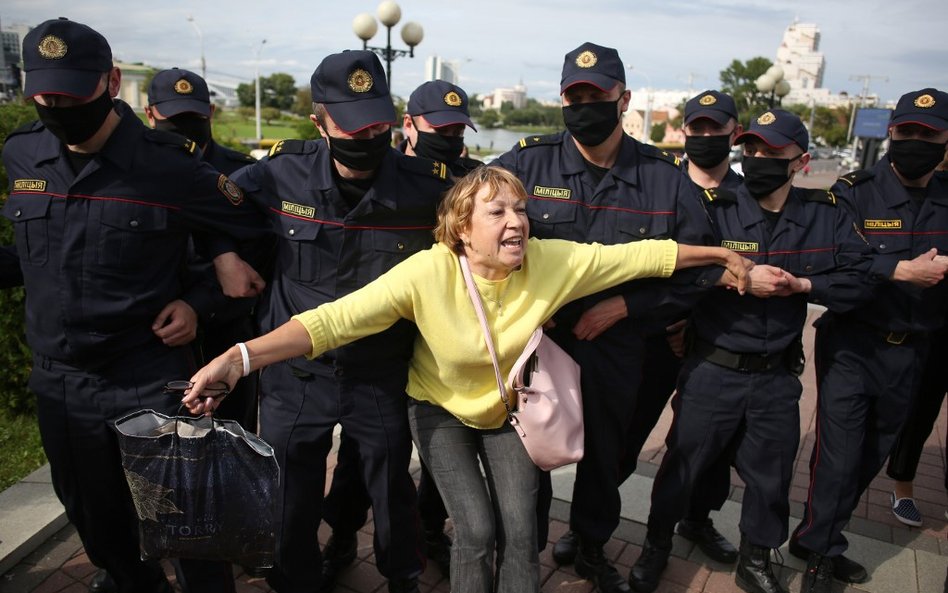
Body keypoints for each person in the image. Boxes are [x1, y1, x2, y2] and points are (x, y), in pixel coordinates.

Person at [180, 166, 752, 593]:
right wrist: (238, 358)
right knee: (476, 531)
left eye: (520, 209)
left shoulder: (551, 260)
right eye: (497, 212)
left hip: (509, 412)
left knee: (524, 532)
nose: (516, 221)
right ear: (461, 228)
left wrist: (720, 256)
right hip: (440, 411)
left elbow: (645, 256)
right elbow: (331, 321)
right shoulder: (428, 271)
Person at [1, 17, 266, 593]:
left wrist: (204, 292)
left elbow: (252, 227)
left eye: (72, 93)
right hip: (61, 381)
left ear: (112, 81)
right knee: (100, 530)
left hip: (146, 375)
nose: (57, 105)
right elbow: (31, 257)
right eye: (45, 94)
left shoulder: (165, 163)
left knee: (190, 529)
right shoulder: (23, 155)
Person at [494, 42, 720, 593]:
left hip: (617, 344)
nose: (586, 105)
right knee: (528, 452)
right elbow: (474, 229)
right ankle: (521, 551)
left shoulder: (665, 179)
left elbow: (701, 267)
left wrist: (628, 305)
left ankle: (591, 547)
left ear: (623, 100)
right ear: (563, 98)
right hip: (539, 343)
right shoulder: (526, 163)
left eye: (598, 96)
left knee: (605, 456)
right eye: (576, 95)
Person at [227, 49, 451, 593]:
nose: (367, 136)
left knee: (392, 493)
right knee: (288, 499)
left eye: (378, 122)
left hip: (380, 370)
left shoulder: (428, 186)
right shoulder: (280, 173)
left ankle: (402, 580)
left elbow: (489, 223)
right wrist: (222, 255)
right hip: (296, 374)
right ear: (319, 121)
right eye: (352, 125)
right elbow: (209, 206)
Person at [632, 109, 875, 593]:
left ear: (800, 161)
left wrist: (802, 284)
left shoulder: (824, 216)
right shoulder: (713, 208)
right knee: (684, 465)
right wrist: (731, 275)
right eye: (752, 150)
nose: (758, 159)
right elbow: (674, 268)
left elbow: (862, 281)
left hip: (776, 376)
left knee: (770, 477)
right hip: (711, 369)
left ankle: (756, 558)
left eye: (773, 153)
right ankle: (656, 545)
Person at [323, 78, 483, 580]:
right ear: (408, 125)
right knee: (362, 459)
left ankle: (427, 536)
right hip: (381, 346)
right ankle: (345, 537)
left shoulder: (470, 180)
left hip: (441, 350)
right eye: (443, 128)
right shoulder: (384, 174)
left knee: (439, 453)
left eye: (460, 130)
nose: (453, 139)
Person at [791, 89, 948, 593]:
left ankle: (817, 532)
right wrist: (899, 270)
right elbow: (833, 263)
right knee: (837, 457)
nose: (916, 141)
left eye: (929, 134)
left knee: (871, 456)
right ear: (891, 133)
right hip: (853, 345)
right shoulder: (855, 192)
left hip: (915, 351)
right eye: (907, 132)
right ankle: (821, 552)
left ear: (946, 140)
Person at [620, 90, 745, 571]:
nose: (707, 137)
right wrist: (673, 317)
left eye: (717, 128)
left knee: (709, 449)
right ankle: (597, 524)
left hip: (716, 340)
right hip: (657, 335)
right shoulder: (660, 187)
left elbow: (746, 270)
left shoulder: (749, 195)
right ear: (684, 132)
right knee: (626, 435)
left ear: (735, 132)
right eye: (698, 128)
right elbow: (641, 263)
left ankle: (696, 519)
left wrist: (695, 320)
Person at [146, 67, 262, 431]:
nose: (185, 128)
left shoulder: (242, 174)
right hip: (156, 336)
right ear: (150, 115)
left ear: (211, 113)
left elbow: (259, 260)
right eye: (174, 119)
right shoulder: (133, 174)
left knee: (233, 441)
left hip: (224, 329)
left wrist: (199, 305)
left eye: (194, 117)